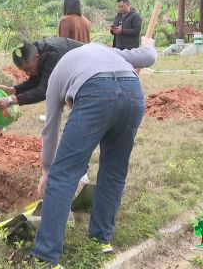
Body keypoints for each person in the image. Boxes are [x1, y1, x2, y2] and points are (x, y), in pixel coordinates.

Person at [30, 37, 157, 267]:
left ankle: (45, 257)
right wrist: (148, 43)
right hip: (132, 93)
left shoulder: (58, 72)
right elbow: (149, 57)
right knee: (114, 171)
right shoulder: (109, 52)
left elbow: (51, 127)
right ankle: (100, 240)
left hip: (95, 93)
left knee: (63, 175)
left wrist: (47, 170)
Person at [0, 37, 82, 109]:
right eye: (24, 70)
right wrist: (13, 90)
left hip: (91, 74)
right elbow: (36, 79)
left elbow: (45, 90)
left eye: (28, 69)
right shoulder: (35, 51)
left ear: (37, 57)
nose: (27, 73)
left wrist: (12, 100)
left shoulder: (51, 56)